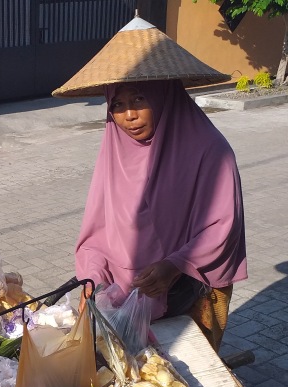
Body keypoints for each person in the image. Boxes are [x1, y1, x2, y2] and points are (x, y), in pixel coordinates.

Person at [75, 78, 247, 352]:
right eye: (118, 104)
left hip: (188, 291)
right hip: (124, 299)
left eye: (139, 99)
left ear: (164, 96)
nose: (129, 115)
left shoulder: (210, 150)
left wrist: (175, 265)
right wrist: (93, 282)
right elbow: (97, 233)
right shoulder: (115, 150)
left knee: (183, 375)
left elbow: (224, 227)